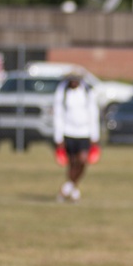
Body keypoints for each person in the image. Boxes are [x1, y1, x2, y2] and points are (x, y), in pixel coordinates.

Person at [53, 73, 100, 203]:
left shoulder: (87, 92)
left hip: (84, 133)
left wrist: (94, 135)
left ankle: (67, 187)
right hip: (68, 132)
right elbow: (58, 115)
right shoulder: (62, 93)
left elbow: (93, 114)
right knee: (72, 162)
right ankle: (73, 189)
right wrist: (58, 137)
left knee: (82, 160)